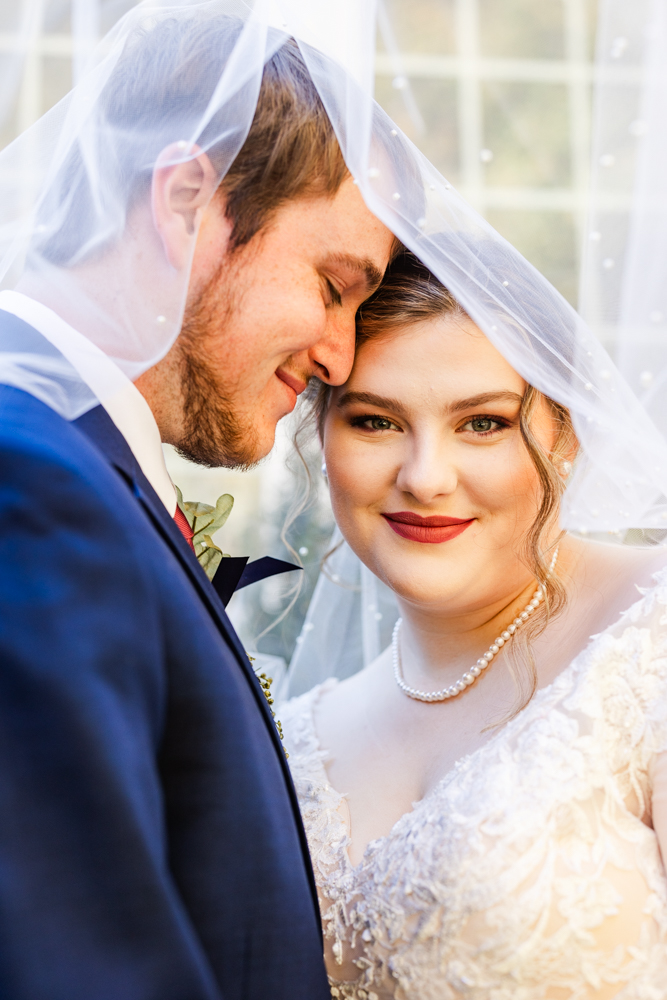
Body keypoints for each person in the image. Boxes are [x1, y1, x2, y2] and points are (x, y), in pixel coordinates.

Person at [0, 7, 394, 999]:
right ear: (187, 201)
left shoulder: (70, 459)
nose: (342, 357)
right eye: (333, 284)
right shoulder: (34, 482)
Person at [280, 251, 667, 998]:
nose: (424, 476)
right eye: (375, 420)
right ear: (321, 438)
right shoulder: (295, 738)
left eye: (482, 423)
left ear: (566, 435)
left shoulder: (651, 638)